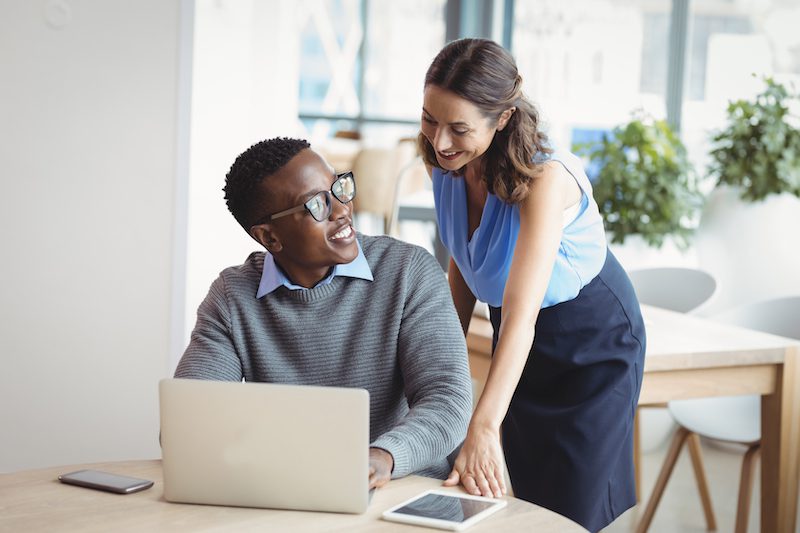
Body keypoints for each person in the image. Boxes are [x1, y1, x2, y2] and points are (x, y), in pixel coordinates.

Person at [418, 38, 646, 532]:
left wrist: (483, 421)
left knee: (571, 512)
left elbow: (521, 319)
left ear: (501, 119)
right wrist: (440, 362)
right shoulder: (447, 162)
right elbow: (464, 258)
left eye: (458, 128)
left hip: (590, 339)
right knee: (529, 504)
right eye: (429, 119)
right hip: (522, 336)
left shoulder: (543, 177)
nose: (439, 141)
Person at [174, 137, 473, 491]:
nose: (341, 209)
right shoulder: (232, 297)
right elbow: (190, 422)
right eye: (316, 204)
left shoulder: (408, 271)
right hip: (288, 492)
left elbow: (448, 401)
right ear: (270, 238)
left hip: (402, 490)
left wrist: (382, 456)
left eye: (338, 187)